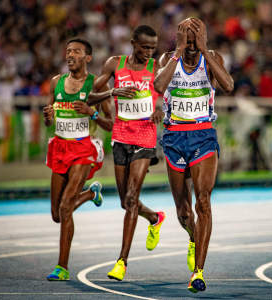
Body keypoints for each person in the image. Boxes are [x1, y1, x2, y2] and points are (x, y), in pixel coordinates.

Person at [154, 18, 234, 293]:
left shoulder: (212, 58)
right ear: (177, 40)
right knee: (183, 211)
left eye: (194, 41)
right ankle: (193, 236)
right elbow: (158, 86)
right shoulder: (167, 59)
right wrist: (177, 52)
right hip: (175, 138)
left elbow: (228, 85)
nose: (190, 47)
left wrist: (204, 49)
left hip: (203, 136)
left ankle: (198, 272)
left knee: (203, 201)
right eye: (186, 41)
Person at [86, 25, 166, 281]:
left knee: (132, 197)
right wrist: (112, 91)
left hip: (145, 135)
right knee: (124, 202)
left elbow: (169, 94)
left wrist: (161, 109)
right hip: (120, 136)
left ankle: (121, 262)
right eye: (144, 47)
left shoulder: (156, 68)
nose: (149, 53)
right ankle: (154, 217)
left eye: (153, 48)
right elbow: (88, 98)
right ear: (133, 43)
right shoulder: (115, 64)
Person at [43, 38, 113, 280]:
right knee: (56, 214)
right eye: (68, 51)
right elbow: (49, 118)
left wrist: (92, 113)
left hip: (83, 148)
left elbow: (112, 125)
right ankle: (91, 194)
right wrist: (48, 117)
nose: (70, 54)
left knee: (65, 208)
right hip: (60, 147)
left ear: (88, 58)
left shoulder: (96, 85)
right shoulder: (56, 82)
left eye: (76, 51)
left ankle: (61, 267)